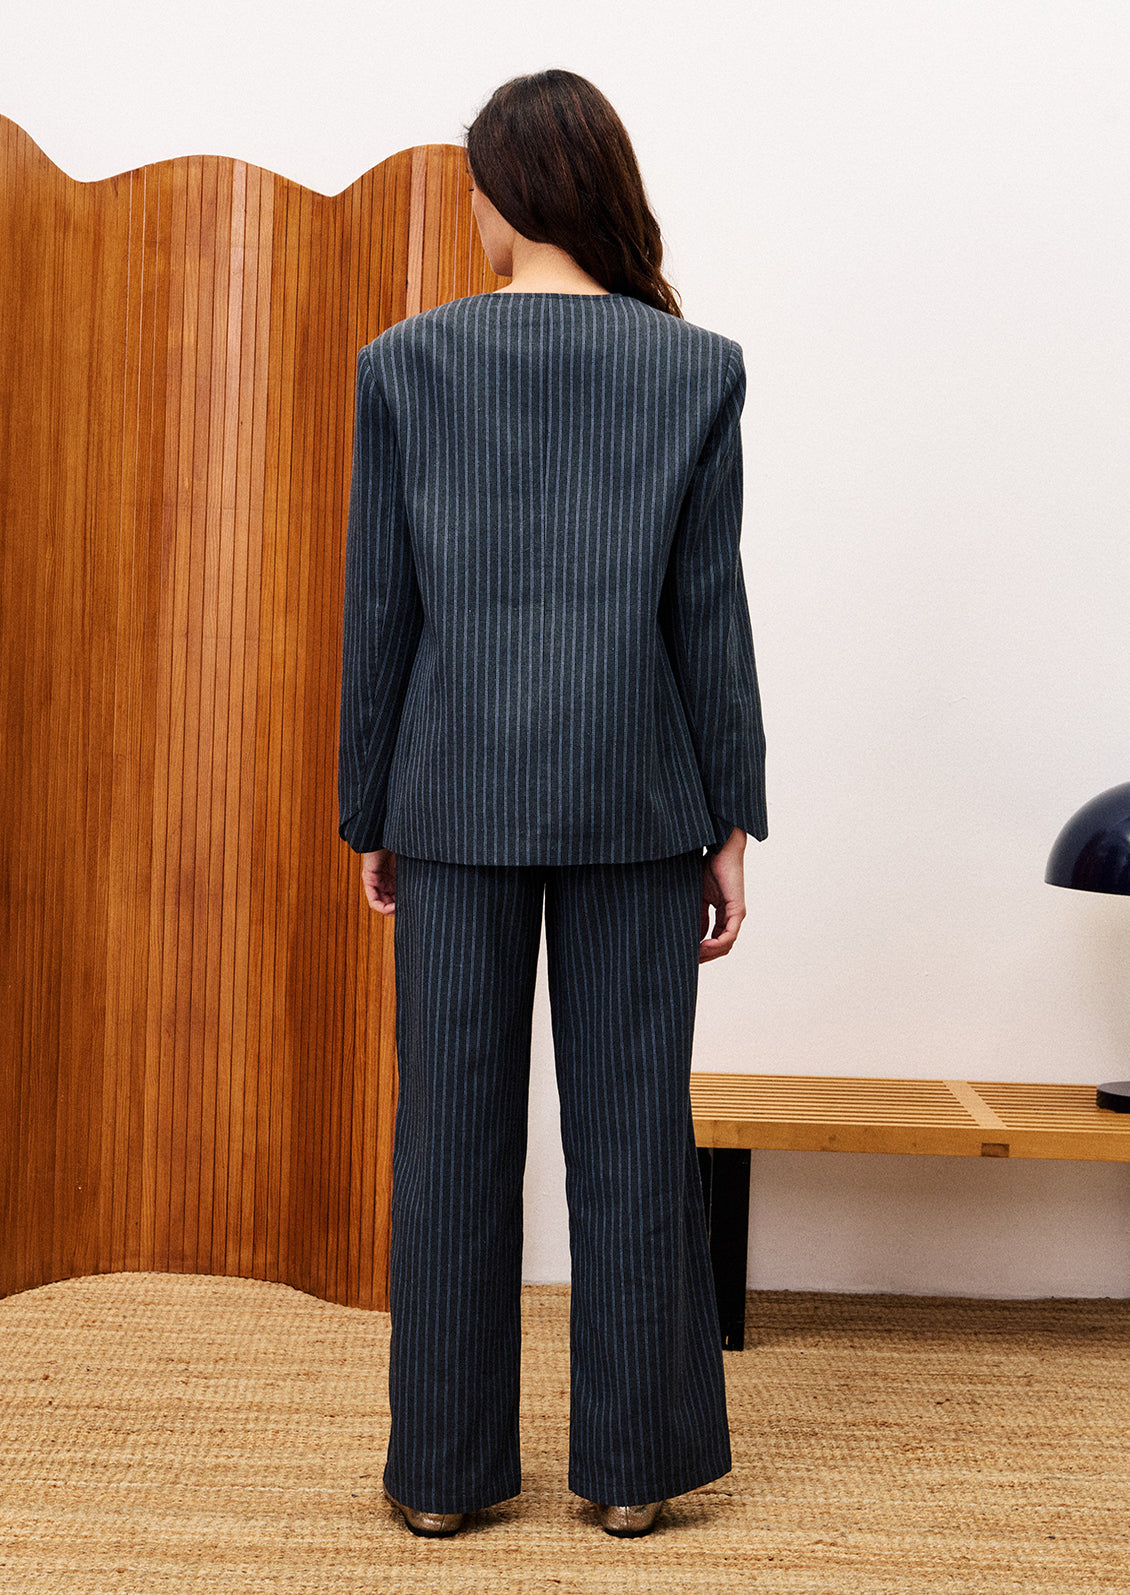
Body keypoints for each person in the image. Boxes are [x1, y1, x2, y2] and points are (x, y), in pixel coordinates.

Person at [337, 68, 767, 1540]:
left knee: (447, 1133)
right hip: (640, 801)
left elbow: (379, 615)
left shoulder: (403, 362)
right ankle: (632, 1473)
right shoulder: (692, 366)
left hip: (450, 799)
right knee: (635, 1132)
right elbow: (705, 616)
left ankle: (443, 1483)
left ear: (505, 193)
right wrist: (729, 818)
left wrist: (369, 805)